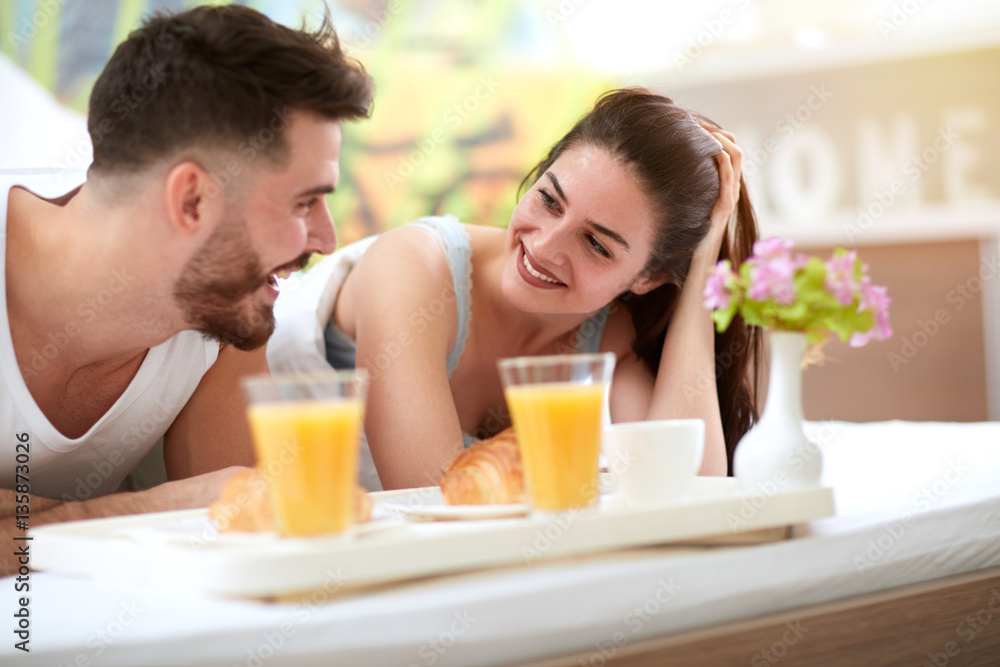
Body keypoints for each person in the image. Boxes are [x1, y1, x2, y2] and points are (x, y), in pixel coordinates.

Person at [0, 5, 372, 575]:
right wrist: (148, 509)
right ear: (192, 200)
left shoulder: (222, 313)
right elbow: (201, 508)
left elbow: (250, 539)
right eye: (305, 202)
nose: (327, 236)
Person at [265, 89, 761, 491]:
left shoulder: (608, 329)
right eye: (548, 200)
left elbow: (690, 488)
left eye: (595, 244)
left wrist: (702, 273)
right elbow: (437, 501)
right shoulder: (414, 269)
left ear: (647, 278)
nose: (544, 246)